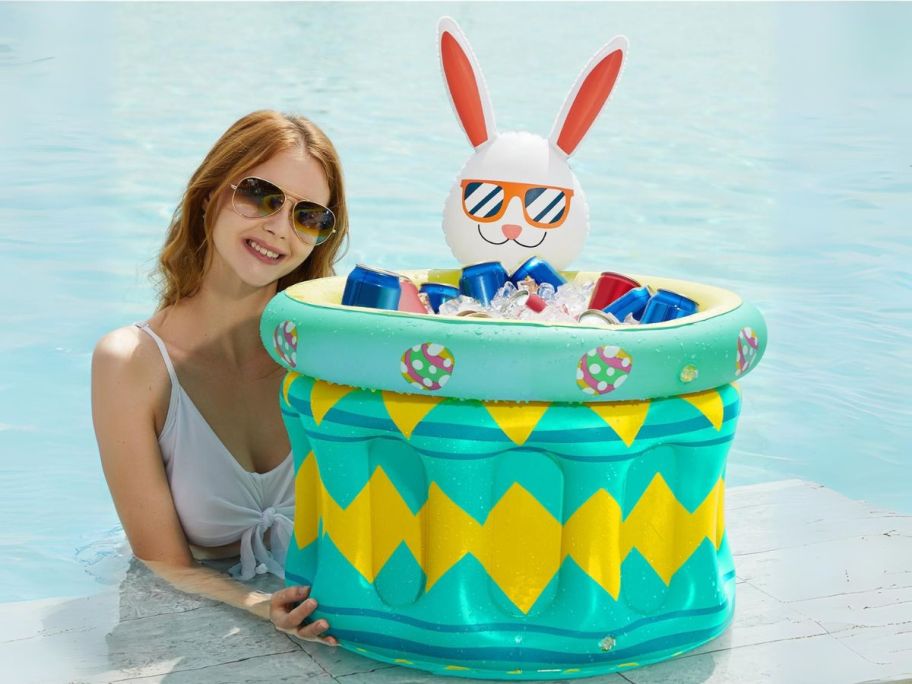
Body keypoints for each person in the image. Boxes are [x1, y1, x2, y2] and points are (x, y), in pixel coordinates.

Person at [91, 110, 346, 645]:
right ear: (209, 194)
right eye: (260, 195)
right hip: (191, 619)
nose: (279, 227)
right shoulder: (131, 364)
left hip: (320, 615)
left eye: (309, 216)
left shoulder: (326, 354)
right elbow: (163, 562)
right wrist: (260, 606)